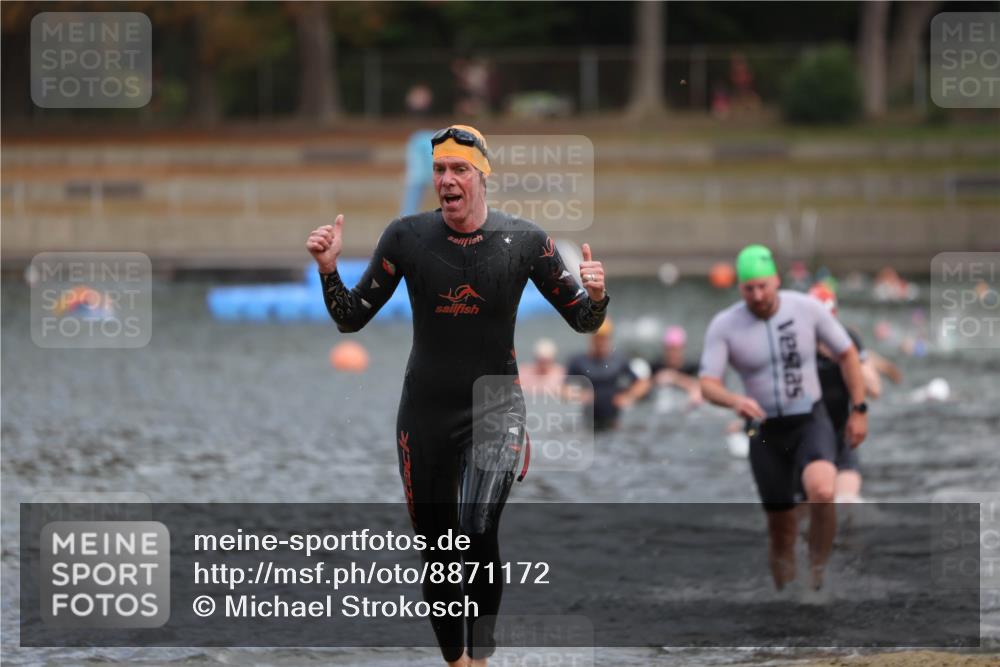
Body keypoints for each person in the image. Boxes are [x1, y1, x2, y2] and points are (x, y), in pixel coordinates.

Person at [305, 125, 609, 667]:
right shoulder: (407, 237)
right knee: (439, 549)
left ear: (481, 176)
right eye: (440, 170)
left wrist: (598, 295)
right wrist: (328, 269)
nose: (447, 180)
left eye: (459, 170)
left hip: (496, 407)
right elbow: (350, 318)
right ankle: (457, 662)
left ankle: (482, 658)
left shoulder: (524, 241)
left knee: (476, 530)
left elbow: (584, 321)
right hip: (425, 413)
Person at [698, 245, 868, 590]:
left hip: (809, 421)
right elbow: (707, 384)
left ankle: (817, 577)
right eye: (749, 288)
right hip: (764, 432)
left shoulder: (806, 309)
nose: (758, 295)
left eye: (763, 286)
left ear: (776, 280)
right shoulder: (725, 325)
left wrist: (860, 410)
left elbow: (848, 353)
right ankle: (786, 597)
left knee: (823, 491)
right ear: (739, 287)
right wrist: (734, 400)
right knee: (781, 529)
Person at [808, 283, 901, 503]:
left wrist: (847, 359)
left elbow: (875, 390)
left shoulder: (846, 339)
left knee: (847, 503)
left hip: (841, 433)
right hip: (806, 435)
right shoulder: (796, 341)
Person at [564, 318, 651, 432]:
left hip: (614, 418)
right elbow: (564, 389)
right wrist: (579, 396)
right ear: (591, 338)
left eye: (604, 338)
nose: (601, 342)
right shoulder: (579, 362)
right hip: (589, 419)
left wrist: (629, 396)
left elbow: (643, 383)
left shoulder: (619, 360)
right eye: (598, 338)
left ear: (609, 339)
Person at [649, 325, 702, 408]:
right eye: (669, 349)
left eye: (676, 349)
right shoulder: (656, 367)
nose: (672, 354)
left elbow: (700, 388)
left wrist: (675, 378)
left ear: (683, 348)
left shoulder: (692, 368)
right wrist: (655, 380)